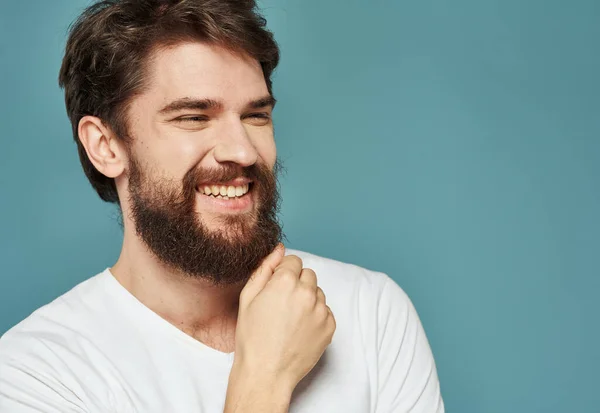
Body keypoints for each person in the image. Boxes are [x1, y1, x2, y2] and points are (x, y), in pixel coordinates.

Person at [0, 1, 444, 412]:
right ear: (106, 146)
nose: (243, 151)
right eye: (193, 117)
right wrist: (263, 379)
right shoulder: (36, 373)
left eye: (255, 116)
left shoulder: (371, 312)